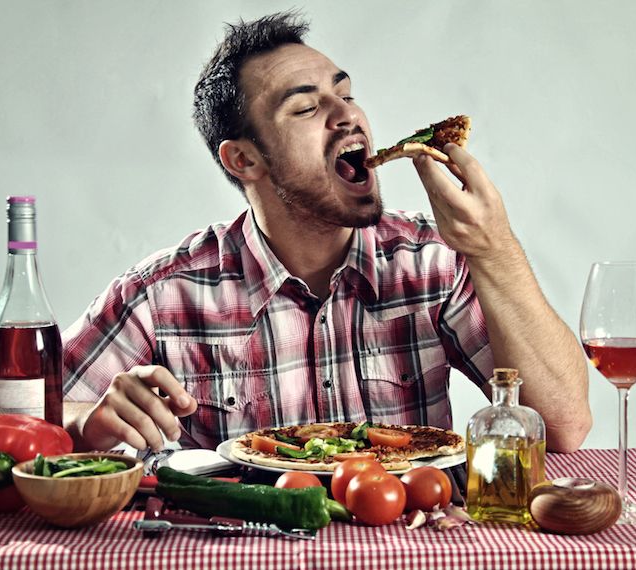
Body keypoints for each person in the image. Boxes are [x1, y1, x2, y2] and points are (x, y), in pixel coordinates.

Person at [62, 12, 591, 456]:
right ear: (244, 159)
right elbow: (8, 423)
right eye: (308, 107)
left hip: (411, 542)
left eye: (347, 94)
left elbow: (564, 425)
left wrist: (492, 248)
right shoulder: (165, 294)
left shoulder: (432, 261)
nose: (349, 116)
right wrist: (87, 423)